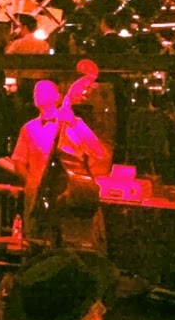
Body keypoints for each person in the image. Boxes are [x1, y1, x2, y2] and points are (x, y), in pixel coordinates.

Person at [11, 80, 108, 247]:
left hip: (68, 197)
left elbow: (98, 151)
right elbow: (19, 161)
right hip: (37, 197)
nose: (36, 93)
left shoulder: (73, 123)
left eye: (43, 90)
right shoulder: (28, 128)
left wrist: (73, 123)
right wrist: (32, 185)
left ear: (57, 96)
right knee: (35, 242)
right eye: (35, 91)